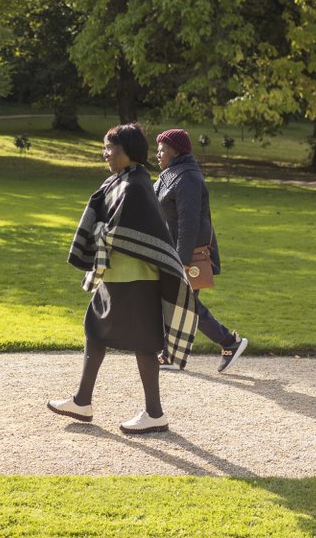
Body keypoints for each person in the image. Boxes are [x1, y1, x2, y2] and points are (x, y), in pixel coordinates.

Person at [48, 123, 198, 435]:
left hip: (135, 278)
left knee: (143, 342)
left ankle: (154, 413)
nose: (105, 154)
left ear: (126, 150)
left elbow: (128, 232)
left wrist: (100, 232)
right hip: (117, 275)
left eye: (110, 148)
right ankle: (82, 400)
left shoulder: (136, 185)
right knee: (96, 330)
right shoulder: (123, 180)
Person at [154, 128, 248, 373]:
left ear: (175, 151)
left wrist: (182, 260)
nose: (157, 154)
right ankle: (221, 344)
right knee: (181, 303)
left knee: (184, 304)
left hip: (189, 254)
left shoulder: (187, 178)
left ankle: (228, 342)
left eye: (162, 150)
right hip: (172, 251)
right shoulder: (169, 175)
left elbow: (189, 221)